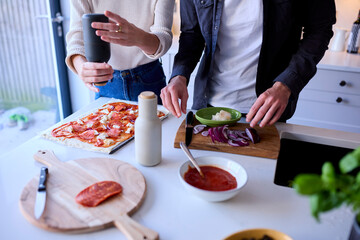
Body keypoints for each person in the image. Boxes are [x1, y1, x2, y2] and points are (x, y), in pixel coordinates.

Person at [160, 0, 336, 127]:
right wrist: (179, 76)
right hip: (207, 105)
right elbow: (192, 34)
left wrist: (285, 85)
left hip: (267, 108)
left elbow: (319, 31)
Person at [66, 0, 174, 103]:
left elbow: (164, 37)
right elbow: (76, 37)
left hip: (149, 80)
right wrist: (81, 67)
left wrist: (139, 38)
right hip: (105, 82)